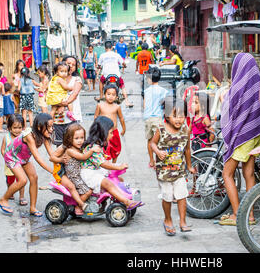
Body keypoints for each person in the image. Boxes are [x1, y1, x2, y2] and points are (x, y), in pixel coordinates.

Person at [219, 53, 260, 226]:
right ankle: (250, 216)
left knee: (227, 173)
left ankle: (237, 214)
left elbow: (228, 109)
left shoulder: (238, 88)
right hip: (253, 134)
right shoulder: (257, 87)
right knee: (249, 174)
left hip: (242, 138)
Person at [149, 96, 196, 236]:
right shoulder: (161, 129)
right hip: (164, 172)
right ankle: (168, 219)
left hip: (180, 171)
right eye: (174, 115)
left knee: (182, 195)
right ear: (166, 115)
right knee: (167, 197)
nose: (178, 119)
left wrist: (189, 166)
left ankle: (182, 222)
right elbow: (152, 143)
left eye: (181, 116)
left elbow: (187, 149)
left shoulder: (185, 130)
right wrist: (157, 152)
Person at [80, 116, 144, 211]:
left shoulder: (99, 146)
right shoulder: (92, 147)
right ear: (103, 133)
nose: (113, 135)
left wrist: (117, 166)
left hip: (96, 171)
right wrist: (118, 167)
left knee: (118, 179)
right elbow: (103, 164)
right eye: (110, 133)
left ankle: (120, 198)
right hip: (90, 173)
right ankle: (126, 202)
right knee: (108, 183)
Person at [0, 113, 57, 216]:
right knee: (22, 180)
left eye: (52, 126)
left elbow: (52, 155)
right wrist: (52, 171)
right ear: (39, 127)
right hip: (12, 157)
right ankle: (3, 199)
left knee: (34, 177)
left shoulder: (45, 136)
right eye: (49, 127)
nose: (51, 129)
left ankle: (33, 208)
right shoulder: (29, 136)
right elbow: (37, 158)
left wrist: (62, 160)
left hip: (23, 158)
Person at [50, 123, 102, 215]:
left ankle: (91, 203)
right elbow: (83, 157)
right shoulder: (67, 148)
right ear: (69, 139)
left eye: (82, 138)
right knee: (73, 187)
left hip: (77, 174)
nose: (80, 141)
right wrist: (60, 160)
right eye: (77, 138)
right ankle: (80, 205)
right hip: (66, 175)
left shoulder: (81, 147)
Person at [52, 55, 83, 147]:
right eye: (68, 63)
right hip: (59, 118)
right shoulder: (56, 80)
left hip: (73, 117)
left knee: (73, 144)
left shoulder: (77, 79)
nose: (71, 66)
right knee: (60, 144)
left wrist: (63, 104)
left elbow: (74, 94)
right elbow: (50, 95)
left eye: (73, 64)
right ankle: (60, 161)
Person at [143, 67, 169, 168]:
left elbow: (145, 105)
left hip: (148, 118)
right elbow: (165, 107)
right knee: (160, 140)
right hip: (159, 118)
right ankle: (160, 159)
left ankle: (151, 160)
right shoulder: (164, 91)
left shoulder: (146, 91)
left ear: (149, 78)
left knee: (150, 140)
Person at [94, 84, 126, 163]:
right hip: (103, 132)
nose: (111, 96)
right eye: (108, 94)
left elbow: (121, 118)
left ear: (116, 96)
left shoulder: (117, 107)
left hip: (114, 132)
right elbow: (96, 117)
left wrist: (124, 129)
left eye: (113, 94)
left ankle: (113, 164)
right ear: (104, 94)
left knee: (116, 149)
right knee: (104, 149)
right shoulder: (100, 105)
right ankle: (105, 165)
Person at [97, 41, 133, 107]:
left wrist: (99, 67)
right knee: (122, 86)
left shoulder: (102, 55)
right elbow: (123, 63)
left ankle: (101, 96)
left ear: (105, 48)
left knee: (101, 82)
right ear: (112, 47)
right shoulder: (117, 55)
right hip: (117, 75)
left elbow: (99, 65)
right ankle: (127, 102)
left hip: (106, 76)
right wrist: (124, 66)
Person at [0, 114, 26, 206]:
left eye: (20, 127)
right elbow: (2, 149)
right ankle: (10, 192)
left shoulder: (23, 137)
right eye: (15, 128)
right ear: (9, 128)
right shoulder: (6, 137)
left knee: (21, 181)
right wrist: (6, 157)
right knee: (10, 180)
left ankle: (22, 197)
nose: (17, 130)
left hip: (20, 163)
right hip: (9, 163)